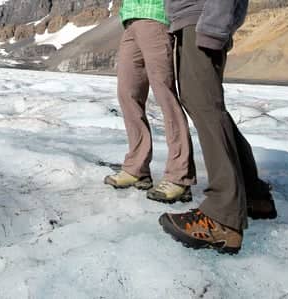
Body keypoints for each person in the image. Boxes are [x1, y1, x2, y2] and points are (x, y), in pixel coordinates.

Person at [157, 0, 278, 254]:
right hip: (195, 18)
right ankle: (252, 193)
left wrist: (214, 24)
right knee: (204, 102)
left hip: (202, 18)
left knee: (204, 103)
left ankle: (223, 217)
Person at [105, 0, 196, 204]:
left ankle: (179, 176)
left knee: (165, 95)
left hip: (156, 17)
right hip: (130, 20)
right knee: (127, 93)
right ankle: (137, 168)